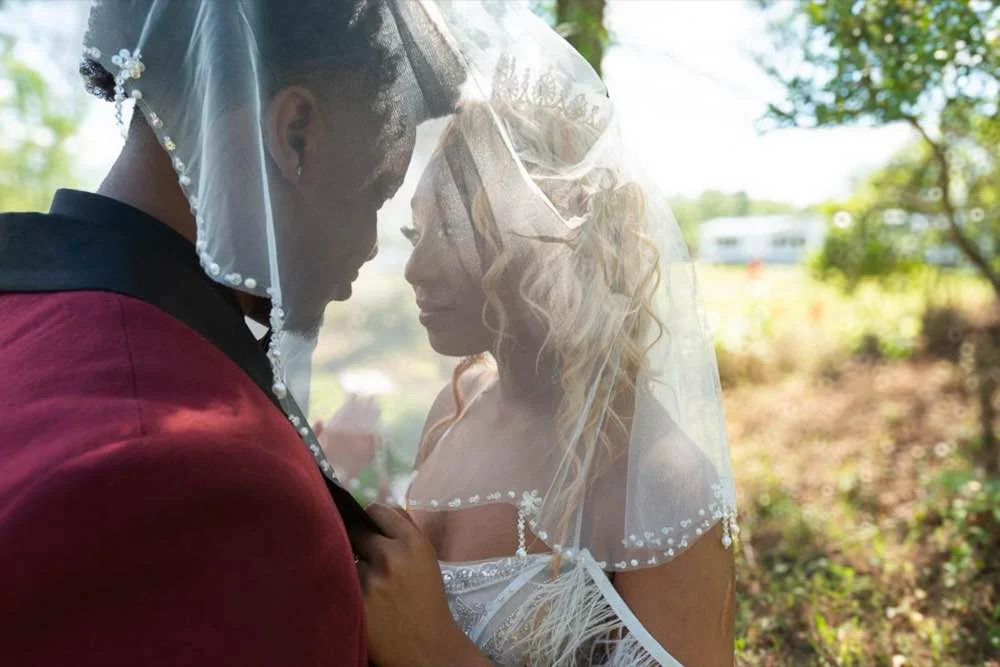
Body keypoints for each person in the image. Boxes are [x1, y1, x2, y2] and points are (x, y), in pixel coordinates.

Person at [0, 1, 489, 665]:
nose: (372, 245)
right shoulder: (200, 480)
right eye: (377, 190)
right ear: (295, 133)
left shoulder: (26, 309)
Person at [326, 3, 738, 664]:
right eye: (415, 234)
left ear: (538, 240)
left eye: (449, 232)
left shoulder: (654, 473)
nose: (415, 269)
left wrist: (438, 650)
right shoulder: (450, 411)